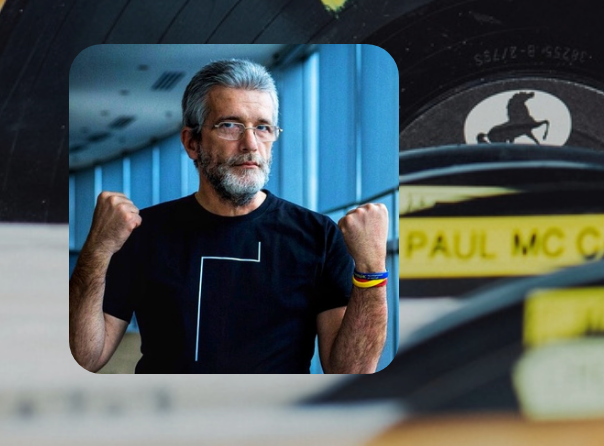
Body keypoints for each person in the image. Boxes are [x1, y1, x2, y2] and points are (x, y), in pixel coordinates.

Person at [67, 59, 388, 373]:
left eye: (263, 127)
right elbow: (85, 357)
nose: (250, 144)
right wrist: (97, 250)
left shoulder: (319, 236)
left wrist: (372, 267)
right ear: (192, 142)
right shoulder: (144, 233)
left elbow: (351, 370)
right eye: (230, 125)